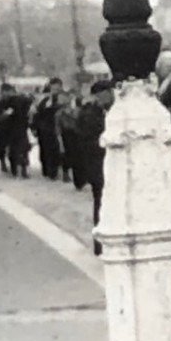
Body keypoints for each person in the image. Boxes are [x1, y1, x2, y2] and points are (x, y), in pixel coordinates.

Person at [77, 80, 114, 252]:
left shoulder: (114, 110)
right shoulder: (89, 114)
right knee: (101, 202)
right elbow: (85, 140)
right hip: (98, 164)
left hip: (112, 165)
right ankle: (100, 244)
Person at [30, 78, 64, 180]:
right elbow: (36, 114)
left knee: (56, 151)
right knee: (45, 151)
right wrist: (35, 127)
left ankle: (54, 171)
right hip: (45, 130)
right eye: (53, 88)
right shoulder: (44, 100)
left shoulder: (64, 98)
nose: (55, 90)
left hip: (57, 129)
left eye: (57, 88)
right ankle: (48, 170)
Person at [56, 90, 82, 186]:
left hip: (76, 134)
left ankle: (76, 177)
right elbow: (58, 127)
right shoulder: (60, 113)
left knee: (76, 156)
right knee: (67, 155)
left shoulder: (77, 110)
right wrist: (59, 139)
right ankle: (66, 174)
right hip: (66, 134)